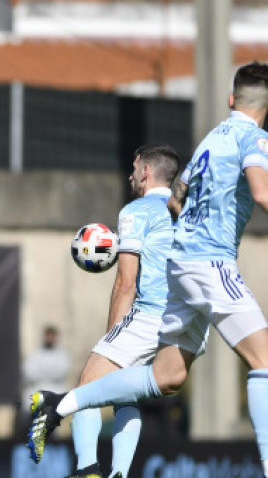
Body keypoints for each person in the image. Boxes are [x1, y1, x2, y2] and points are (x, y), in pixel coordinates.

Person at [28, 61, 268, 478]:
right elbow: (261, 191)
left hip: (180, 278)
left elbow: (173, 206)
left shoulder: (210, 140)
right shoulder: (253, 138)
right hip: (208, 265)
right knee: (263, 361)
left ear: (232, 99)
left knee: (163, 377)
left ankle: (65, 417)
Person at [65, 144, 180, 478]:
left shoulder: (137, 211)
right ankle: (119, 474)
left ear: (146, 171)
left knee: (87, 386)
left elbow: (126, 282)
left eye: (134, 167)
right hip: (182, 317)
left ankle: (87, 470)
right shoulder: (185, 211)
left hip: (149, 314)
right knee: (123, 393)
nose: (130, 174)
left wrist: (111, 334)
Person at [15, 325, 71, 438]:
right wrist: (48, 372)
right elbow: (29, 372)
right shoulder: (35, 354)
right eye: (48, 336)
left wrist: (43, 371)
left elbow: (61, 372)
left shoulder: (62, 356)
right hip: (36, 391)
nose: (50, 338)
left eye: (52, 336)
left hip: (56, 391)